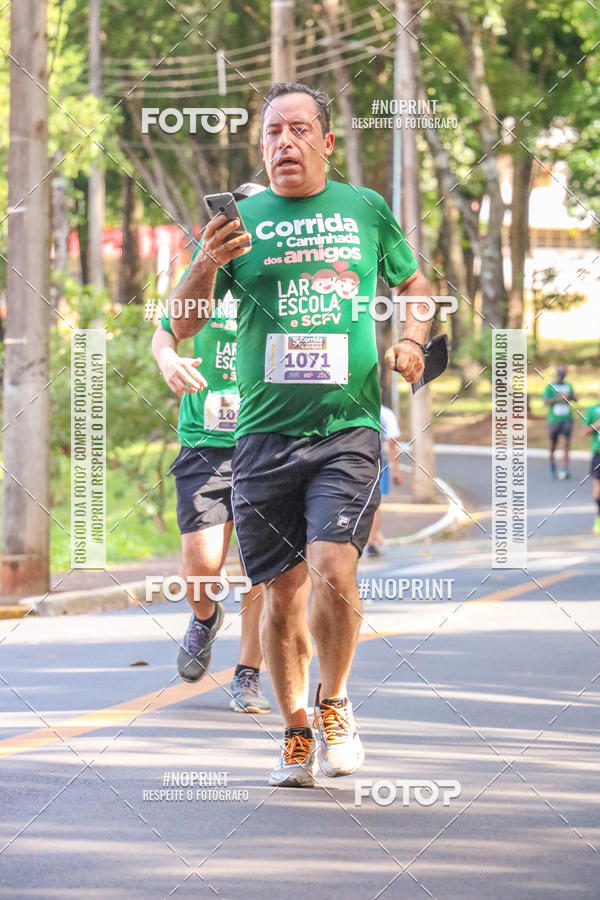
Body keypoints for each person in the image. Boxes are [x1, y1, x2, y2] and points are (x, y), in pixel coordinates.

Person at [168, 81, 432, 787]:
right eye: (271, 134)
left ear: (325, 141)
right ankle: (294, 732)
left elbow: (414, 288)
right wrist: (208, 262)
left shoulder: (365, 209)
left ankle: (336, 702)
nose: (284, 143)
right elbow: (185, 323)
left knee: (335, 570)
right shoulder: (241, 222)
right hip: (260, 439)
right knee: (281, 595)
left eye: (297, 129)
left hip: (345, 427)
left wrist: (411, 340)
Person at [152, 183, 270, 715]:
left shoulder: (277, 277)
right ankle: (204, 617)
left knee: (264, 568)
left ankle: (248, 673)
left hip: (267, 435)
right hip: (205, 441)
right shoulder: (202, 275)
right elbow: (164, 333)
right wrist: (167, 361)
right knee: (200, 566)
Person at [367, 404, 403, 556]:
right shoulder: (385, 413)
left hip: (349, 459)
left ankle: (371, 537)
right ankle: (371, 542)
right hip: (376, 460)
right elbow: (392, 445)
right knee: (375, 504)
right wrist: (396, 470)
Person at [543, 366, 577, 479]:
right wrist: (559, 398)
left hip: (566, 419)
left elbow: (576, 398)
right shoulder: (550, 386)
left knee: (566, 443)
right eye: (560, 374)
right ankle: (552, 463)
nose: (561, 377)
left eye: (563, 375)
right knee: (553, 444)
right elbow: (545, 401)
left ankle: (565, 468)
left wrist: (570, 396)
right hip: (553, 420)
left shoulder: (569, 386)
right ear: (556, 374)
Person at [583, 387, 600, 535]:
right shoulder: (592, 410)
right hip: (598, 454)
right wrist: (597, 424)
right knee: (598, 489)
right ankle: (598, 520)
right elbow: (584, 433)